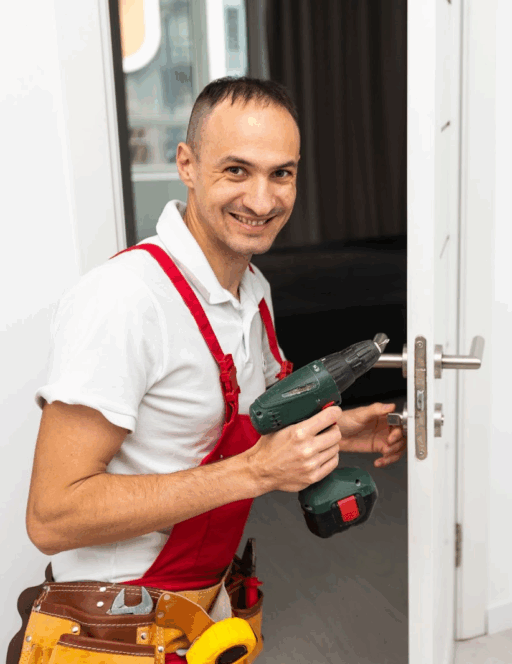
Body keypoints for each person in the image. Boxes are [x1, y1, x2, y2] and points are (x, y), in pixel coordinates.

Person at [14, 77, 406, 663]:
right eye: (236, 170)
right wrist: (256, 472)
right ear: (188, 165)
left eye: (282, 173)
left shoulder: (254, 290)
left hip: (205, 607)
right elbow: (51, 515)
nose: (262, 200)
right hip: (113, 631)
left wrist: (331, 433)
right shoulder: (125, 300)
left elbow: (230, 424)